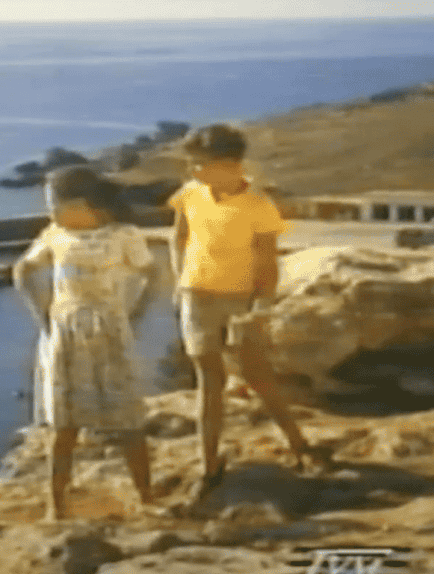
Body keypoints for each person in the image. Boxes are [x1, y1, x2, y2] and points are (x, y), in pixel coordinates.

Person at [168, 123, 332, 509]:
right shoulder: (190, 194)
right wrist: (180, 280)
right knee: (209, 382)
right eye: (192, 164)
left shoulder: (259, 205)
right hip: (197, 297)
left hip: (241, 299)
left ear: (232, 165)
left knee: (257, 375)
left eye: (201, 164)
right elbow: (179, 237)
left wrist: (262, 307)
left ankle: (299, 444)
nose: (194, 172)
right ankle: (209, 467)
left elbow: (267, 262)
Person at [13, 165, 156, 520]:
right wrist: (42, 315)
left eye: (54, 203)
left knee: (128, 421)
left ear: (82, 203)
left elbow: (150, 273)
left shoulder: (123, 234)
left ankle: (147, 497)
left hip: (109, 331)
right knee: (64, 425)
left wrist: (134, 313)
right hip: (65, 334)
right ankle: (55, 506)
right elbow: (22, 270)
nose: (50, 211)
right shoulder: (54, 235)